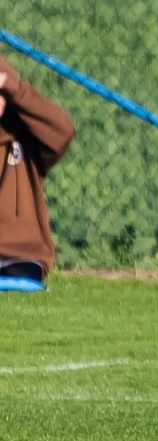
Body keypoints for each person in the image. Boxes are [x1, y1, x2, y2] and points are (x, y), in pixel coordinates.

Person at [0, 56, 76, 292]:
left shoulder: (26, 139)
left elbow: (62, 130)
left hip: (18, 254)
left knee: (22, 279)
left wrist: (17, 90)